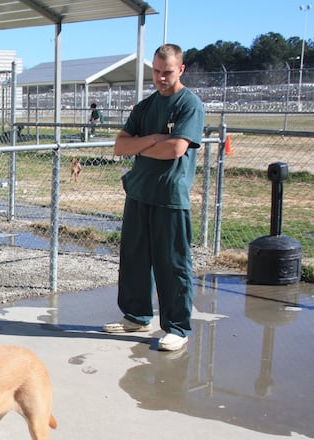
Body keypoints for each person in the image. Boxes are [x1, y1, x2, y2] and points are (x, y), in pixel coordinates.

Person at [102, 44, 205, 352]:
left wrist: (141, 145)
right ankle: (136, 316)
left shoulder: (189, 105)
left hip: (169, 196)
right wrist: (153, 140)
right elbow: (120, 146)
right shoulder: (145, 108)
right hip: (139, 191)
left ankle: (176, 327)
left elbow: (175, 149)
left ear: (181, 69)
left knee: (171, 264)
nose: (161, 78)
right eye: (157, 72)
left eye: (168, 72)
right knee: (134, 259)